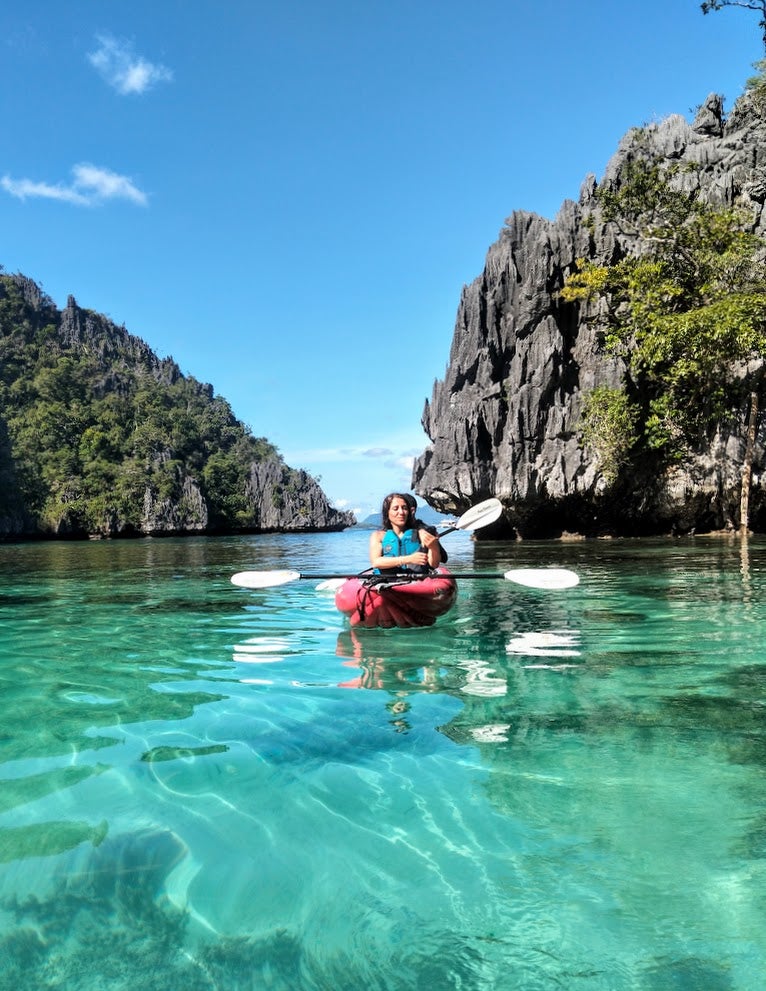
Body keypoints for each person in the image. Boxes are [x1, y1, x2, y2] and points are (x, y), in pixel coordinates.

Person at [369, 493, 443, 574]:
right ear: (387, 512)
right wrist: (409, 559)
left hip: (417, 582)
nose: (401, 512)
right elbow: (376, 562)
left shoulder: (421, 533)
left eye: (404, 508)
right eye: (395, 508)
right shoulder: (378, 536)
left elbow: (434, 564)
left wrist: (434, 546)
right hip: (387, 582)